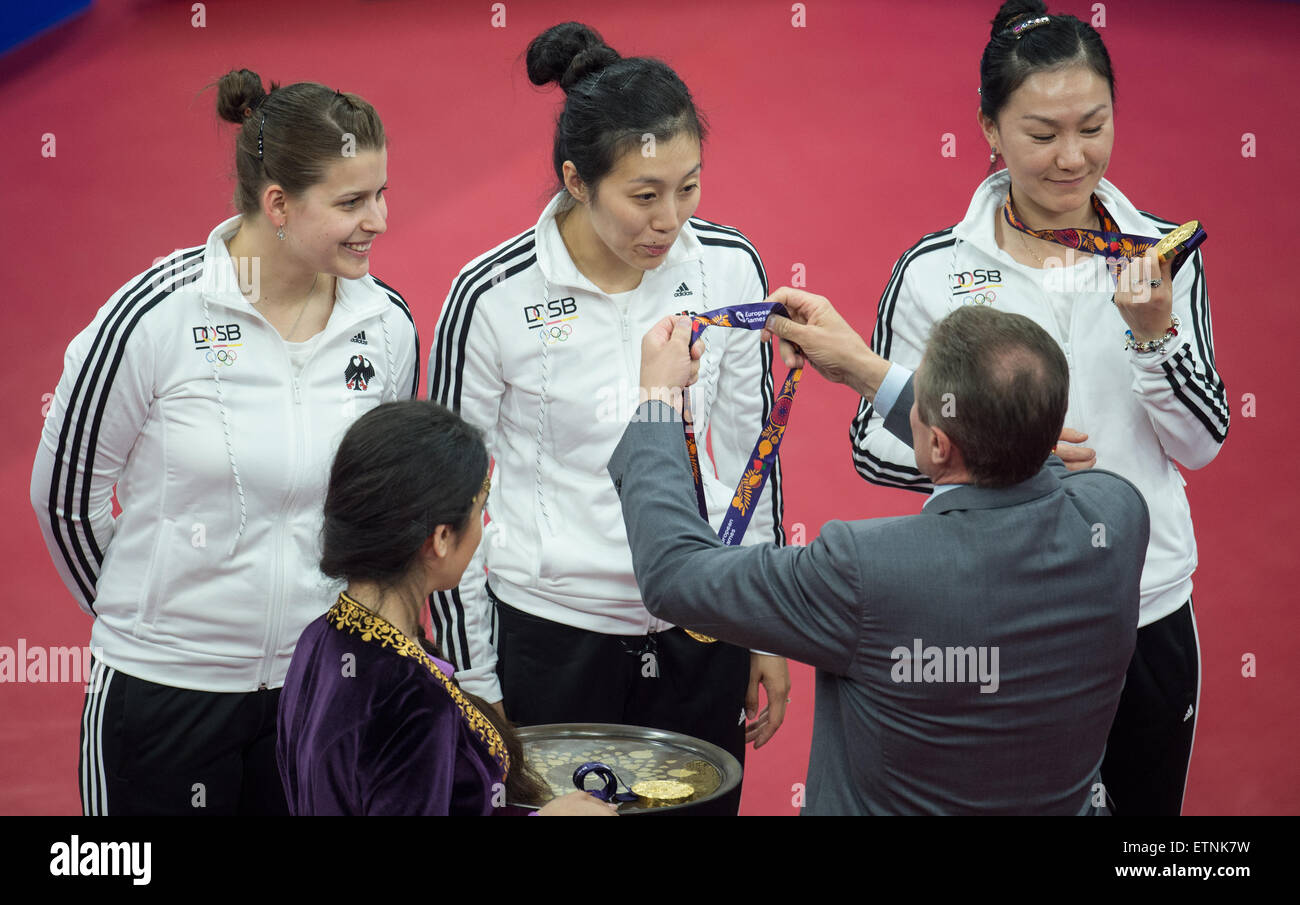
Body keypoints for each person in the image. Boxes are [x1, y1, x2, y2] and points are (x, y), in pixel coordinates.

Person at [847, 1, 1228, 815]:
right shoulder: (934, 271)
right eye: (1041, 133)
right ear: (988, 127)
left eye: (1093, 127)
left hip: (1144, 606)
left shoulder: (1162, 256)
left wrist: (1156, 336)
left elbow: (1201, 443)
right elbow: (873, 447)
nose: (1071, 158)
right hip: (994, 618)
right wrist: (1005, 457)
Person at [30, 69, 419, 816]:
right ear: (277, 204)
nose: (380, 220)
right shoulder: (153, 318)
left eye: (381, 193)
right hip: (163, 699)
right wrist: (147, 614)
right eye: (351, 202)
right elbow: (66, 501)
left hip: (315, 694)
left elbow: (379, 507)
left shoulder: (387, 326)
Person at [427, 22, 789, 814]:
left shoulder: (729, 266)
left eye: (689, 187)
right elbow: (444, 504)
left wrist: (761, 624)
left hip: (702, 624)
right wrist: (475, 681)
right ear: (577, 181)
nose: (670, 220)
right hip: (553, 640)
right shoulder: (490, 297)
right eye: (645, 195)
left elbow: (749, 456)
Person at [609, 289, 1148, 815]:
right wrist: (859, 368)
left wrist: (658, 402)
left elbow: (675, 575)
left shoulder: (865, 570)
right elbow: (1027, 452)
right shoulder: (1117, 515)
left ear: (937, 445)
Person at [277, 401, 617, 816]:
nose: (483, 527)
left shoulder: (321, 636)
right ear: (440, 538)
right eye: (478, 510)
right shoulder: (413, 699)